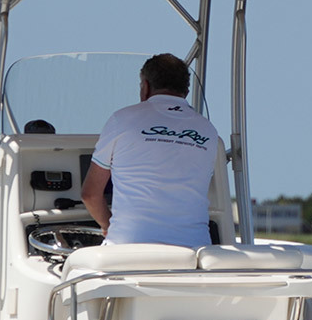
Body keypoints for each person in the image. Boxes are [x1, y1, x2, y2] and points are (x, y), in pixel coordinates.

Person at [82, 53, 222, 247]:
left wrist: (108, 226)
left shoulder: (122, 120)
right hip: (193, 251)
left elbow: (90, 195)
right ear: (186, 91)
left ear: (146, 87)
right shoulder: (208, 130)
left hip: (130, 250)